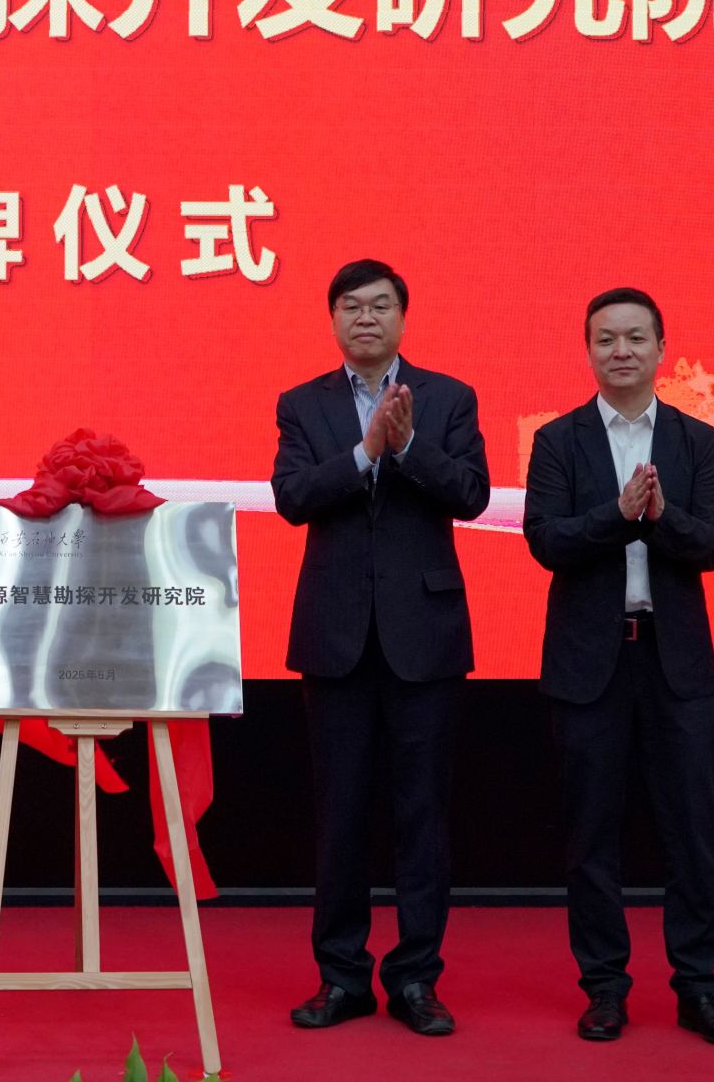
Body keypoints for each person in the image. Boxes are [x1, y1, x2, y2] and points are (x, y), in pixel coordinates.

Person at [521, 287, 714, 1046]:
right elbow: (546, 541)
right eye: (606, 339)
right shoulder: (558, 440)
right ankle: (604, 988)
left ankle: (699, 988)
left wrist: (660, 517)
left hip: (675, 660)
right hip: (590, 662)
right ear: (588, 350)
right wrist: (617, 517)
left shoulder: (695, 439)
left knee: (694, 833)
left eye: (635, 338)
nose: (621, 351)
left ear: (661, 349)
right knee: (591, 834)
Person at [271, 258, 490, 1037]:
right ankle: (341, 976)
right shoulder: (302, 404)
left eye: (380, 305)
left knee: (421, 812)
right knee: (340, 813)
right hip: (334, 637)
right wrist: (364, 451)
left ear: (402, 315)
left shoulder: (449, 397)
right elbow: (292, 496)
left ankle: (416, 977)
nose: (366, 317)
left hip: (424, 636)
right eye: (352, 306)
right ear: (333, 319)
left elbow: (471, 493)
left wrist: (406, 446)